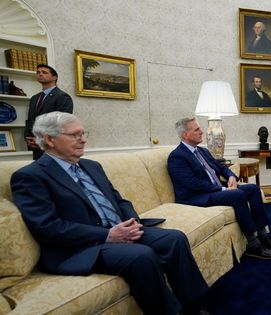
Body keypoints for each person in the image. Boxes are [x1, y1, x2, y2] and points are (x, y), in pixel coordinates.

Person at [10, 112, 210, 315]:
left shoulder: (92, 166)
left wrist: (132, 222)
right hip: (82, 247)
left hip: (118, 230)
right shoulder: (30, 176)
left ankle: (193, 307)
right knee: (142, 256)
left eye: (83, 133)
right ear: (49, 140)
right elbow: (47, 227)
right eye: (74, 135)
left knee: (174, 238)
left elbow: (119, 200)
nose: (83, 139)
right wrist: (107, 235)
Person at [167, 117, 271, 259]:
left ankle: (264, 237)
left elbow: (222, 167)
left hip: (215, 189)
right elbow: (193, 184)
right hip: (197, 197)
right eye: (197, 129)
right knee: (237, 195)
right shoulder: (177, 156)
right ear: (185, 135)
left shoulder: (202, 151)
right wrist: (223, 190)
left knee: (253, 189)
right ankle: (253, 245)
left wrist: (231, 177)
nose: (202, 132)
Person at [25, 64, 73, 160]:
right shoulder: (34, 98)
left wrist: (42, 140)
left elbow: (61, 124)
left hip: (54, 148)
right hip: (36, 149)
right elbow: (30, 120)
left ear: (54, 77)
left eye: (44, 72)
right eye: (38, 72)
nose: (40, 74)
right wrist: (29, 138)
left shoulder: (62, 97)